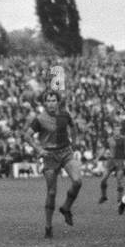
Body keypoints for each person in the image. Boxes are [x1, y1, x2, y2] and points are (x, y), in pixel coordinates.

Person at [23, 89, 84, 239]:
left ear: (58, 102)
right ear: (45, 103)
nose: (51, 103)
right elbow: (27, 136)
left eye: (53, 100)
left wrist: (74, 144)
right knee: (51, 192)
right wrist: (39, 150)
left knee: (77, 181)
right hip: (50, 156)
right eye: (48, 101)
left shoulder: (65, 114)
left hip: (65, 152)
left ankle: (66, 208)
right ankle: (48, 227)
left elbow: (74, 127)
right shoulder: (40, 119)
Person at [98, 125, 125, 204]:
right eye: (115, 130)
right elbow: (104, 149)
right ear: (113, 131)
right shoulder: (110, 140)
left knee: (119, 181)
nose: (116, 131)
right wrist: (98, 157)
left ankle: (119, 200)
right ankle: (104, 196)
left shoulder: (123, 139)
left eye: (118, 130)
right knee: (103, 179)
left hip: (119, 162)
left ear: (120, 131)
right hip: (110, 162)